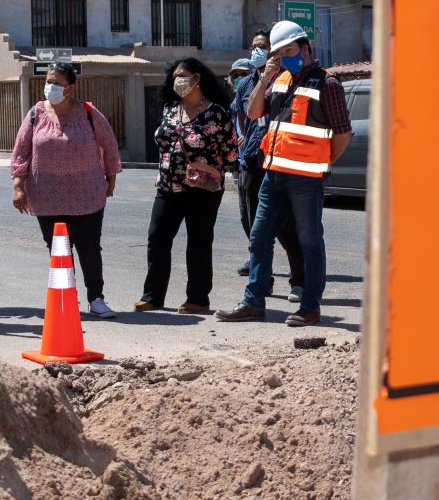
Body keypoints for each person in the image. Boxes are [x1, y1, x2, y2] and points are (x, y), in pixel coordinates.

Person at [219, 20, 351, 328]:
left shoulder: (326, 83)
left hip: (306, 178)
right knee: (259, 236)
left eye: (288, 50)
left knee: (309, 241)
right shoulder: (278, 80)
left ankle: (309, 306)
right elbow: (252, 113)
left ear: (305, 48)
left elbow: (342, 133)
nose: (282, 57)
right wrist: (264, 81)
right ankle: (253, 302)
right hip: (273, 174)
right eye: (277, 53)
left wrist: (323, 162)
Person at [10, 62, 122, 318]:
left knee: (89, 248)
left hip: (87, 194)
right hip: (46, 195)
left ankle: (96, 298)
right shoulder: (36, 113)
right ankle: (64, 299)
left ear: (70, 88)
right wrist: (18, 186)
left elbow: (110, 146)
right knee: (58, 249)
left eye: (57, 83)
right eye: (49, 81)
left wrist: (110, 181)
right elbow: (21, 150)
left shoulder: (89, 113)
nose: (50, 87)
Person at [136, 58, 237, 315]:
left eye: (182, 75)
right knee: (157, 237)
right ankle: (153, 296)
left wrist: (208, 169)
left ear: (197, 79)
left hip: (201, 188)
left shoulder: (217, 113)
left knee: (198, 241)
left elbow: (231, 154)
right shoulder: (170, 108)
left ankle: (198, 298)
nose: (176, 81)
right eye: (174, 77)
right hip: (168, 186)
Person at [232, 33, 305, 299]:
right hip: (251, 160)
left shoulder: (287, 80)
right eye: (253, 47)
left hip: (277, 161)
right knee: (254, 227)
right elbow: (244, 115)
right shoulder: (246, 84)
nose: (256, 52)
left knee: (286, 227)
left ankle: (300, 280)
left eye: (262, 47)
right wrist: (240, 141)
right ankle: (263, 280)